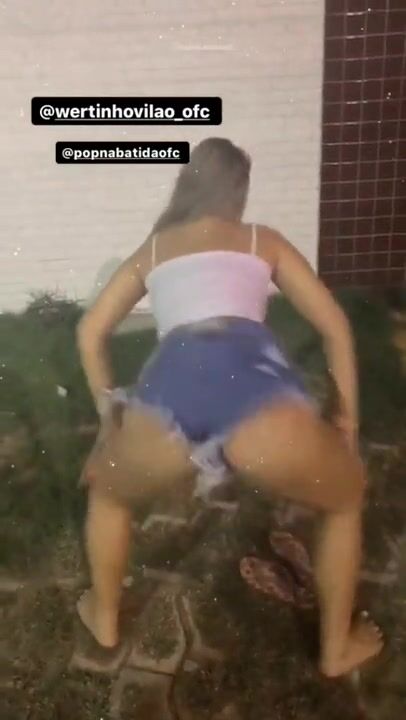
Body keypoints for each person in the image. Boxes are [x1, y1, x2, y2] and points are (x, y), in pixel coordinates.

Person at [76, 137, 383, 677]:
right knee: (344, 499)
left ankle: (104, 619)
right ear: (238, 192)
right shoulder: (262, 239)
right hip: (255, 397)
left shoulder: (155, 249)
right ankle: (336, 650)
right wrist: (346, 423)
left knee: (109, 494)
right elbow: (335, 327)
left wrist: (110, 418)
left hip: (167, 400)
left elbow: (89, 332)